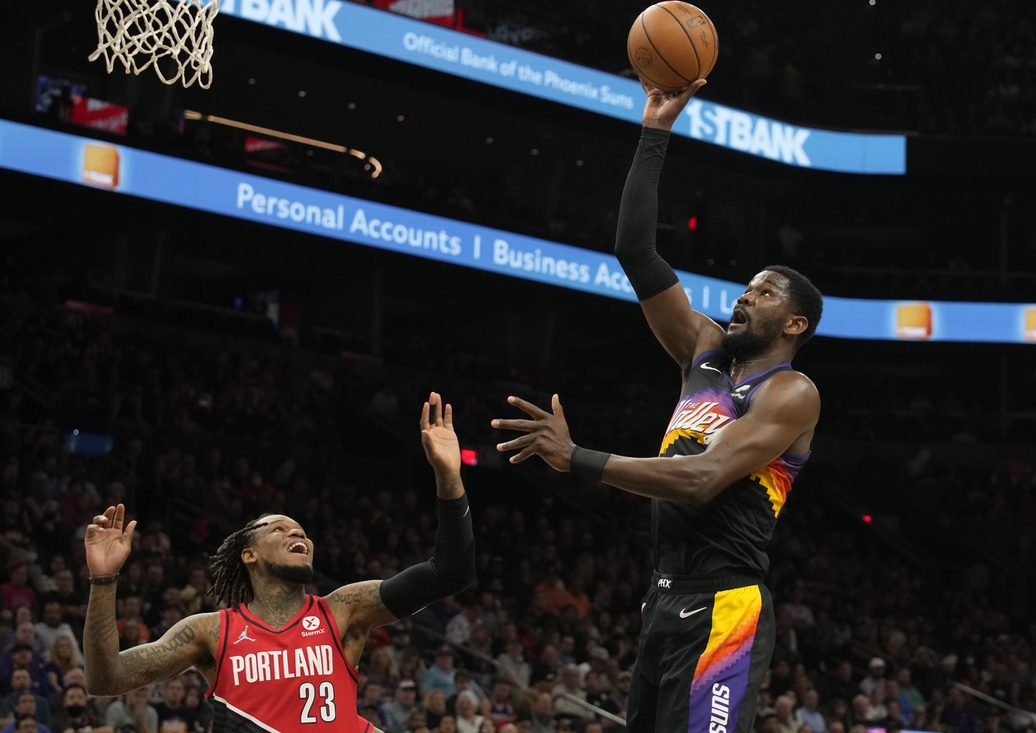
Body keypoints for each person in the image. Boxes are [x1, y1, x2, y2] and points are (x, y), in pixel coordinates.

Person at [492, 82, 822, 733]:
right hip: (663, 596)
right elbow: (635, 252)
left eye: (766, 292)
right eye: (748, 285)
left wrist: (576, 456)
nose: (746, 295)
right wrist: (654, 130)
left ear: (795, 323)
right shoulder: (701, 347)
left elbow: (700, 479)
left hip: (727, 603)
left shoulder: (793, 392)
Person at [81, 393, 476, 733]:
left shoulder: (343, 611)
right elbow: (106, 678)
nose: (298, 535)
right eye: (280, 530)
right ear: (248, 554)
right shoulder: (211, 633)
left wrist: (449, 477)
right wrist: (104, 581)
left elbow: (449, 572)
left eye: (302, 532)